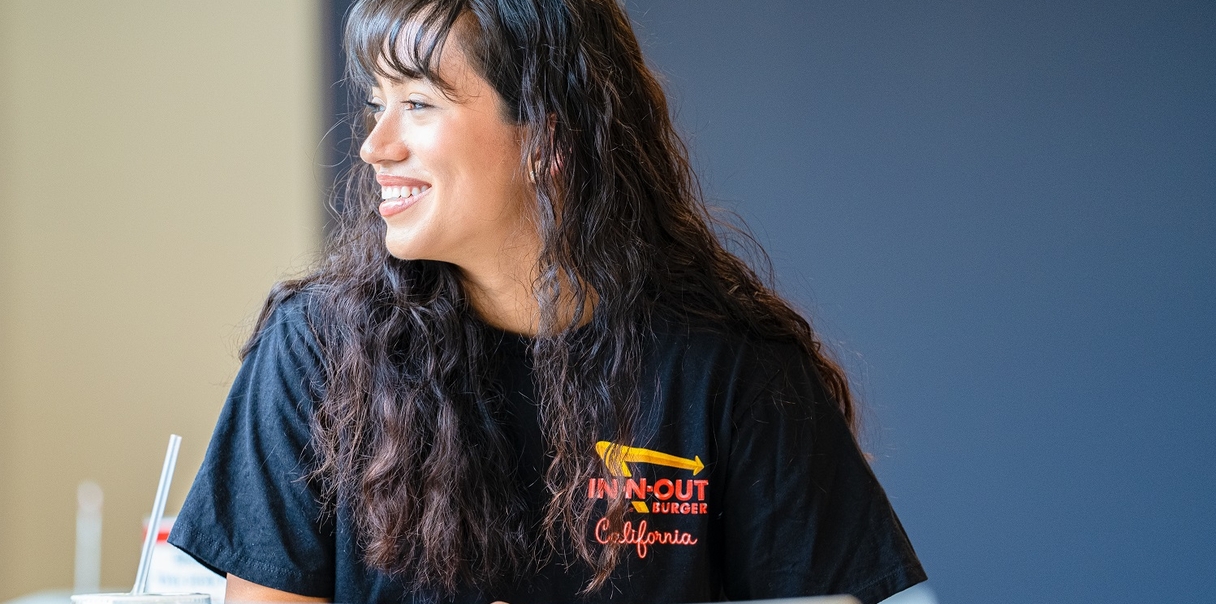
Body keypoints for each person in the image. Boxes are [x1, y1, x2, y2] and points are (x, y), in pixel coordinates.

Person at [168, 0, 927, 602]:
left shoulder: (737, 369)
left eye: (421, 105)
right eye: (377, 103)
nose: (375, 145)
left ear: (548, 142)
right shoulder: (314, 350)